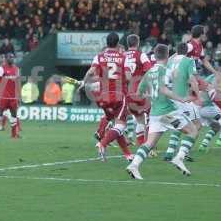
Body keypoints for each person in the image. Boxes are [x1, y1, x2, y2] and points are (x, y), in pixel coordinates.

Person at [126, 44, 198, 179]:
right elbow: (165, 90)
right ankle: (179, 158)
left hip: (155, 114)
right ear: (167, 55)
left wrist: (151, 96)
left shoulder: (149, 73)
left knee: (149, 143)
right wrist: (181, 99)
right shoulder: (165, 70)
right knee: (193, 131)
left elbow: (139, 94)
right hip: (168, 113)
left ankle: (134, 165)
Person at [82, 32, 133, 161]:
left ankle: (127, 154)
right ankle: (102, 143)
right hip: (118, 96)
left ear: (107, 42)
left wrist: (84, 82)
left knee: (116, 126)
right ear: (117, 43)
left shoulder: (99, 57)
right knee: (120, 126)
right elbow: (128, 77)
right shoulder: (123, 57)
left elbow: (91, 72)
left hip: (103, 98)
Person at [163, 42, 201, 161]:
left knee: (180, 124)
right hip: (182, 98)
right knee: (197, 125)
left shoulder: (170, 61)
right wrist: (197, 95)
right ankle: (183, 152)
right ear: (187, 52)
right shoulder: (189, 61)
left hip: (169, 96)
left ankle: (170, 152)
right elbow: (192, 80)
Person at [124, 34, 153, 147]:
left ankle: (142, 146)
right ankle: (149, 146)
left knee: (140, 119)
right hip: (140, 93)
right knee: (152, 117)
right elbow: (150, 72)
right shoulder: (141, 55)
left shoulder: (123, 56)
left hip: (127, 94)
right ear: (138, 43)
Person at [0, 54, 21, 140]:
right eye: (9, 57)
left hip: (13, 97)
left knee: (14, 115)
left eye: (12, 57)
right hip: (3, 97)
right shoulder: (1, 69)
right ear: (6, 59)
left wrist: (19, 96)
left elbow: (18, 83)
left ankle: (13, 135)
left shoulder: (16, 69)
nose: (11, 59)